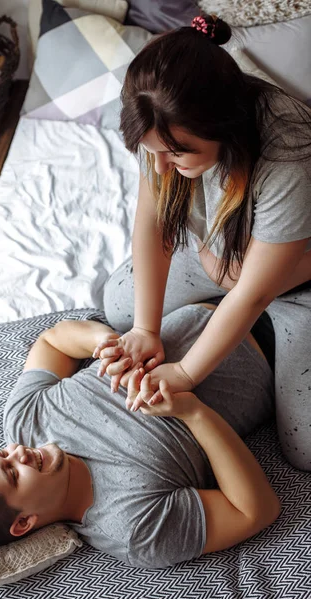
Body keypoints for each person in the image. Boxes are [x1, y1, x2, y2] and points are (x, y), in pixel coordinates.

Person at [96, 14, 311, 471]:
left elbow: (253, 290)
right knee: (120, 306)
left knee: (306, 447)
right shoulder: (156, 122)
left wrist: (188, 372)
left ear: (223, 127)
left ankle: (262, 346)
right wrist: (146, 331)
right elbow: (152, 224)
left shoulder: (288, 153)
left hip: (293, 285)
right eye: (154, 154)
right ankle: (240, 333)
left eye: (177, 154)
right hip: (219, 256)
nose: (162, 168)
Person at [0, 309, 280, 567]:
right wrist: (194, 414)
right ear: (23, 522)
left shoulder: (26, 420)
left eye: (3, 454)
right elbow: (255, 511)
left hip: (202, 298)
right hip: (270, 344)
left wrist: (106, 345)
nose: (19, 452)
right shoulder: (133, 529)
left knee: (120, 295)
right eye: (12, 473)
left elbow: (53, 340)